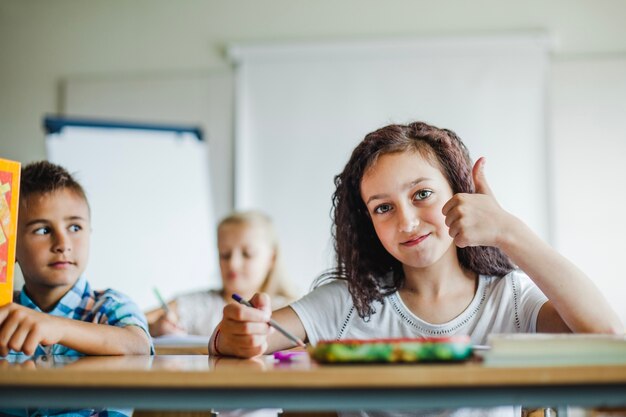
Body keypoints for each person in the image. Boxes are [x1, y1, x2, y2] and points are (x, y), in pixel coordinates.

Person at [210, 121, 622, 415]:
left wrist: (509, 231)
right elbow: (239, 341)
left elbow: (606, 336)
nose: (406, 222)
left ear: (461, 195)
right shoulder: (350, 303)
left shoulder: (509, 300)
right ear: (368, 224)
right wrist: (237, 333)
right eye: (383, 208)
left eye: (422, 194)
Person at [0, 161, 152, 416]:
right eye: (43, 229)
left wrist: (56, 326)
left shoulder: (110, 305)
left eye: (75, 227)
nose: (63, 243)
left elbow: (138, 346)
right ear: (10, 245)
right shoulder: (4, 314)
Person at [147, 210, 297, 337]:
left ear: (272, 258)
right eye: (225, 254)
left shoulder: (289, 310)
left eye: (247, 254)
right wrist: (154, 328)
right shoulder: (197, 305)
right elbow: (134, 322)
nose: (233, 263)